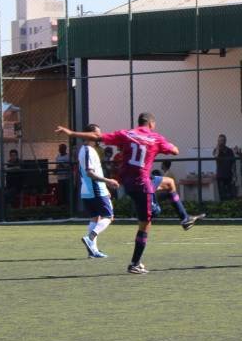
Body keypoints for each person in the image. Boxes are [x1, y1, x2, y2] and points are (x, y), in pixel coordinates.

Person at [56, 113, 204, 274]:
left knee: (169, 184)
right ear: (151, 124)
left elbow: (97, 137)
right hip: (142, 184)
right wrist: (168, 145)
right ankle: (135, 263)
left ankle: (184, 218)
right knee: (145, 224)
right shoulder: (156, 138)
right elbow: (175, 151)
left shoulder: (126, 134)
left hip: (128, 183)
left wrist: (71, 133)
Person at [77, 124, 120, 258]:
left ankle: (93, 251)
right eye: (97, 133)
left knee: (95, 219)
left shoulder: (88, 150)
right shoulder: (88, 150)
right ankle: (90, 237)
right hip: (95, 189)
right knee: (109, 216)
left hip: (89, 190)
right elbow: (90, 173)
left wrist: (105, 187)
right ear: (89, 134)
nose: (100, 136)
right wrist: (108, 181)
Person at [213, 134, 236, 201]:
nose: (221, 142)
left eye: (222, 140)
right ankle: (223, 204)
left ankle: (229, 204)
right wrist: (218, 148)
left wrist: (234, 176)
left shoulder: (229, 151)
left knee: (229, 193)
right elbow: (215, 156)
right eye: (219, 140)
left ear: (225, 141)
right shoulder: (216, 150)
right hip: (220, 175)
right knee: (221, 194)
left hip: (228, 175)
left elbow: (233, 163)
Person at [55, 143, 71, 209]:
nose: (59, 150)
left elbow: (70, 166)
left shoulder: (68, 157)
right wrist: (55, 170)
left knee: (66, 191)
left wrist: (63, 165)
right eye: (59, 148)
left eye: (60, 148)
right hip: (60, 177)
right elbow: (56, 166)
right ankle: (62, 204)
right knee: (61, 192)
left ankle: (68, 205)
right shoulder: (57, 157)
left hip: (66, 177)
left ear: (64, 149)